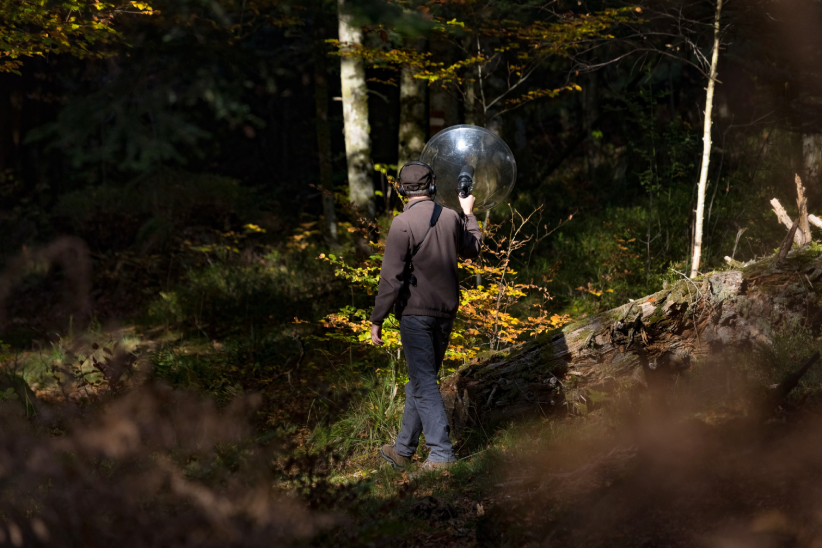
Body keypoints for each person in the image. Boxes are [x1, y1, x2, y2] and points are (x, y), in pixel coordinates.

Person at [370, 161, 481, 472]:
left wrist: (377, 319)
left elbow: (391, 279)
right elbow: (473, 248)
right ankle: (403, 450)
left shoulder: (401, 223)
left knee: (422, 382)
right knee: (421, 382)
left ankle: (441, 455)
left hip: (415, 314)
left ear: (403, 190)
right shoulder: (450, 217)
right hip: (446, 312)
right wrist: (468, 214)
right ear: (432, 184)